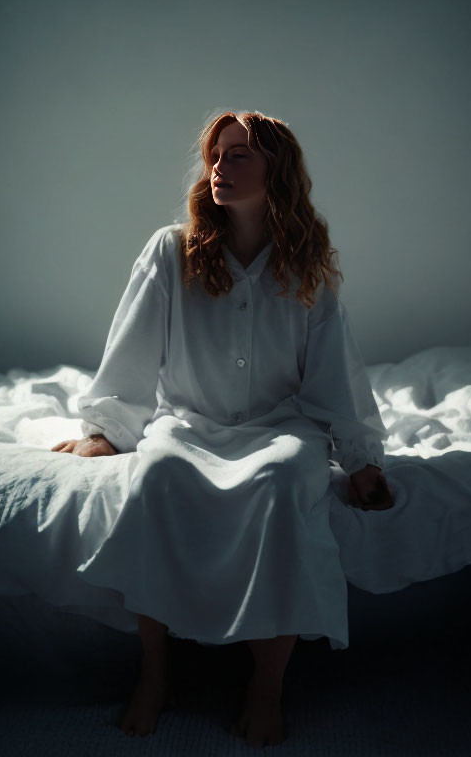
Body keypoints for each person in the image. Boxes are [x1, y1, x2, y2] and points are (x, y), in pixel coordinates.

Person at [51, 110, 394, 748]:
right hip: (189, 423)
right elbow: (132, 353)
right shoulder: (170, 250)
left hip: (279, 426)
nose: (218, 167)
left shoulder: (307, 265)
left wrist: (360, 458)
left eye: (238, 156)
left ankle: (267, 684)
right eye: (216, 155)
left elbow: (332, 376)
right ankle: (154, 669)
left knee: (286, 484)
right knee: (157, 477)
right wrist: (110, 430)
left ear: (276, 171)